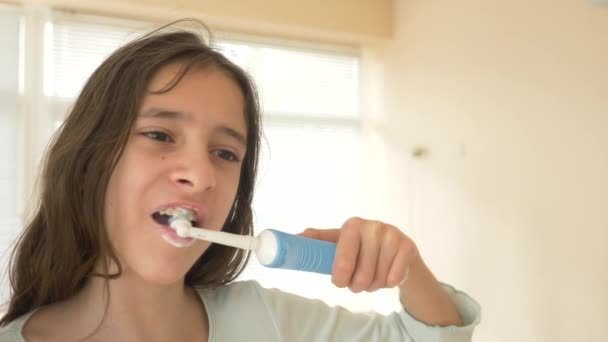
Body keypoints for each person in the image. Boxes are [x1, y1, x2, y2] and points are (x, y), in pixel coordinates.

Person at [0, 19, 480, 341]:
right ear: (88, 158)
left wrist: (406, 264)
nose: (202, 174)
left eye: (225, 153)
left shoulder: (271, 323)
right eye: (160, 134)